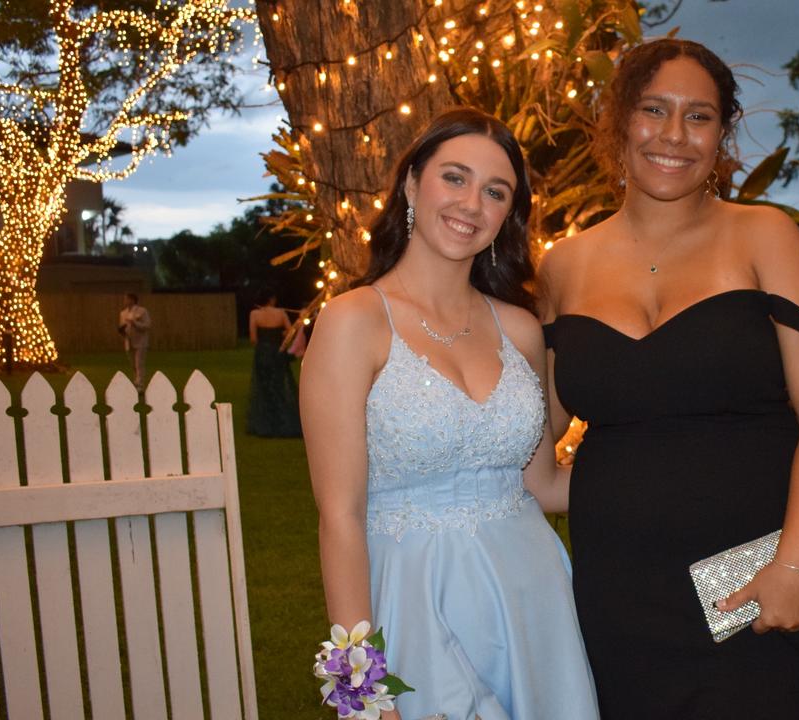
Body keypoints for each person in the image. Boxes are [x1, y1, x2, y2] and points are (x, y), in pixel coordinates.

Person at [538, 39, 799, 718]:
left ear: (724, 132)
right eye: (654, 110)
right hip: (616, 591)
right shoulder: (562, 266)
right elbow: (537, 440)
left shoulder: (765, 237)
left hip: (752, 582)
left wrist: (797, 562)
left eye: (699, 116)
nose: (674, 135)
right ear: (619, 120)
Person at [300, 108, 599, 720]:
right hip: (413, 597)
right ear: (412, 184)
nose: (471, 204)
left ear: (507, 215)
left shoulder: (518, 328)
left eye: (495, 191)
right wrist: (358, 690)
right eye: (454, 178)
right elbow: (340, 517)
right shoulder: (352, 322)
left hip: (531, 599)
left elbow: (541, 485)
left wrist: (661, 464)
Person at [246, 291, 302, 437]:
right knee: (279, 385)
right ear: (272, 299)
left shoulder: (254, 314)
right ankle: (282, 420)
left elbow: (253, 338)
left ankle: (265, 422)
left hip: (263, 353)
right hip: (277, 352)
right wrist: (279, 335)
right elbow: (290, 332)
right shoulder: (281, 313)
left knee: (264, 386)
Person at [118, 292, 151, 388]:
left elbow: (147, 325)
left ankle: (140, 384)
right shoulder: (123, 313)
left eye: (127, 299)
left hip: (140, 341)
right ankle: (135, 382)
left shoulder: (142, 311)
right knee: (133, 365)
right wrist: (122, 331)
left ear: (132, 300)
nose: (125, 301)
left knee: (139, 363)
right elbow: (122, 326)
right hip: (128, 341)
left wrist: (135, 323)